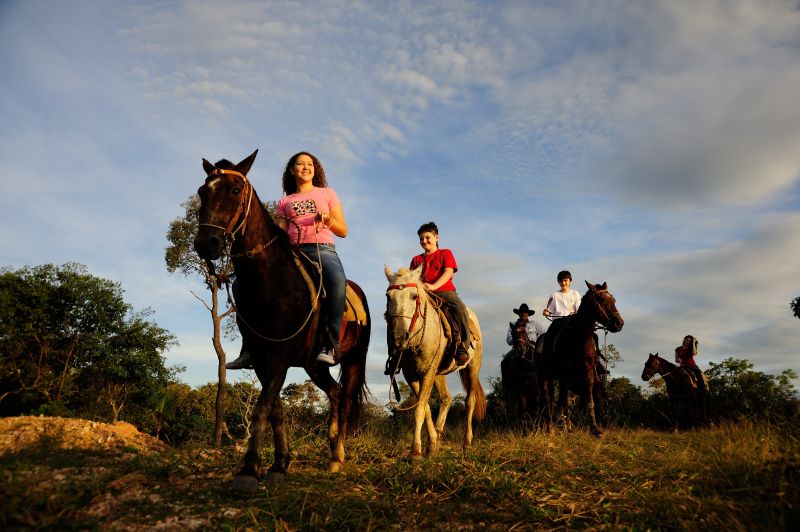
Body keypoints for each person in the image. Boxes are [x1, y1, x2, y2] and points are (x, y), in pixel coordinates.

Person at [226, 151, 347, 369]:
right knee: (239, 285)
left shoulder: (327, 193)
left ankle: (331, 343)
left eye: (310, 164)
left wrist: (328, 219)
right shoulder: (285, 201)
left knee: (337, 283)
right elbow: (280, 232)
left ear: (315, 169)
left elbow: (343, 230)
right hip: (291, 252)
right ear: (292, 170)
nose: (306, 167)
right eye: (300, 164)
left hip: (323, 249)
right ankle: (249, 350)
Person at [410, 221, 471, 366]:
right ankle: (398, 350)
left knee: (460, 309)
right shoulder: (416, 259)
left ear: (436, 238)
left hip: (444, 291)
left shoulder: (445, 253)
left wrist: (433, 286)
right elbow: (412, 278)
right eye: (421, 239)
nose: (424, 241)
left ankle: (463, 346)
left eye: (427, 237)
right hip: (424, 293)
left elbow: (448, 272)